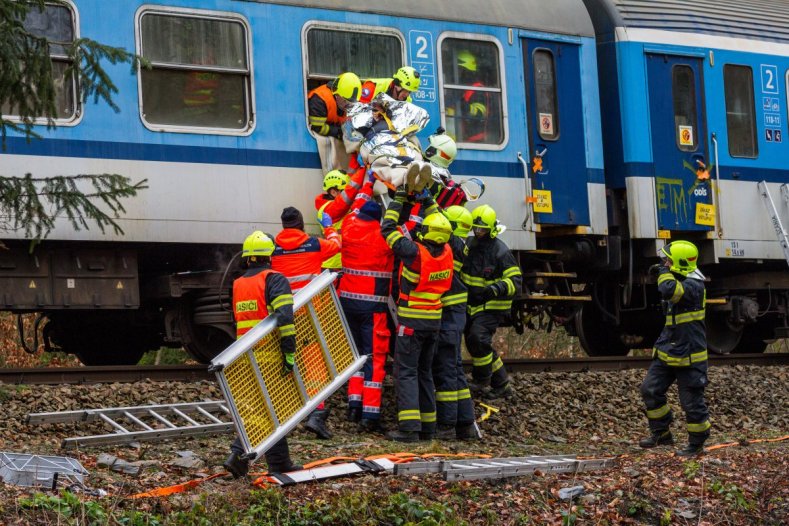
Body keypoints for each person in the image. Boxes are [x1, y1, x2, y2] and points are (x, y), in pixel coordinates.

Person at [223, 231, 302, 478]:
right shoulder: (274, 279)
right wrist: (289, 353)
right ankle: (238, 455)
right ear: (270, 255)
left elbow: (238, 320)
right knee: (272, 409)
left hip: (244, 356)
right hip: (269, 355)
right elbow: (286, 319)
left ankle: (279, 462)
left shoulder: (238, 283)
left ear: (248, 257)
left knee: (267, 409)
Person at [381, 189, 454, 442]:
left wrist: (398, 200)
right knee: (424, 372)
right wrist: (429, 201)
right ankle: (428, 427)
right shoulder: (448, 252)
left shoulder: (415, 253)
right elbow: (442, 225)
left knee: (406, 372)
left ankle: (409, 429)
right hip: (433, 322)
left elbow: (387, 228)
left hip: (411, 323)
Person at [271, 206, 341, 439]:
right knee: (315, 365)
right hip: (310, 314)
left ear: (283, 226)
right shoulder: (314, 244)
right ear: (300, 224)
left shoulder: (273, 249)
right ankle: (316, 414)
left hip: (285, 316)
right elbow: (337, 244)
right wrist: (328, 226)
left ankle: (289, 412)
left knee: (290, 362)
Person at [640, 240, 710, 457]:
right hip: (668, 351)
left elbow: (669, 289)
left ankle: (696, 445)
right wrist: (664, 270)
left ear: (678, 263)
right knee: (650, 390)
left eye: (668, 260)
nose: (665, 262)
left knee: (691, 403)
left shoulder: (694, 286)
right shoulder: (681, 278)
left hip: (689, 356)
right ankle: (661, 434)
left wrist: (663, 272)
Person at [338, 173, 394, 432]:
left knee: (356, 357)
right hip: (373, 309)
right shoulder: (382, 238)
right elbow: (409, 228)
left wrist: (368, 181)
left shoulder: (348, 227)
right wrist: (409, 200)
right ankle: (370, 416)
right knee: (374, 358)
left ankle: (353, 405)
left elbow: (358, 202)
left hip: (346, 304)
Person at [461, 204, 522, 399]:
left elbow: (515, 281)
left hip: (492, 306)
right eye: (476, 228)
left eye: (482, 229)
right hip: (472, 304)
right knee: (474, 342)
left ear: (490, 229)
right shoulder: (469, 245)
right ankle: (495, 382)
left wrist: (495, 289)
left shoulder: (500, 251)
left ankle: (487, 379)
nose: (478, 232)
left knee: (478, 338)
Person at [434, 205, 478, 440]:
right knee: (456, 371)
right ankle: (466, 424)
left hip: (449, 317)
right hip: (455, 317)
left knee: (447, 372)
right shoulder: (462, 245)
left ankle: (448, 426)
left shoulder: (454, 247)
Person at [307, 72, 362, 171]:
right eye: (345, 102)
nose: (347, 106)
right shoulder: (319, 99)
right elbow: (317, 127)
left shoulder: (344, 103)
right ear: (337, 95)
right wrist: (338, 132)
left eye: (350, 103)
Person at [314, 168, 366, 271]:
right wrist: (364, 169)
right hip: (334, 265)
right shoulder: (328, 209)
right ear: (333, 192)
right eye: (342, 191)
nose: (346, 195)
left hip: (339, 263)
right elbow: (349, 192)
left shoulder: (335, 207)